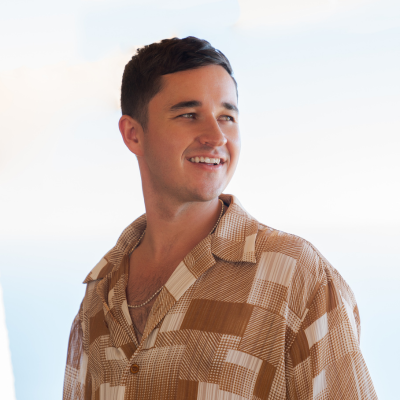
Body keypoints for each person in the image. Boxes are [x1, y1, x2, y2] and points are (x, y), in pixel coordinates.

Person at [63, 37, 377, 400]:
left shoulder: (297, 276)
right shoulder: (99, 294)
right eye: (188, 115)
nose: (216, 137)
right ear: (133, 134)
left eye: (227, 117)